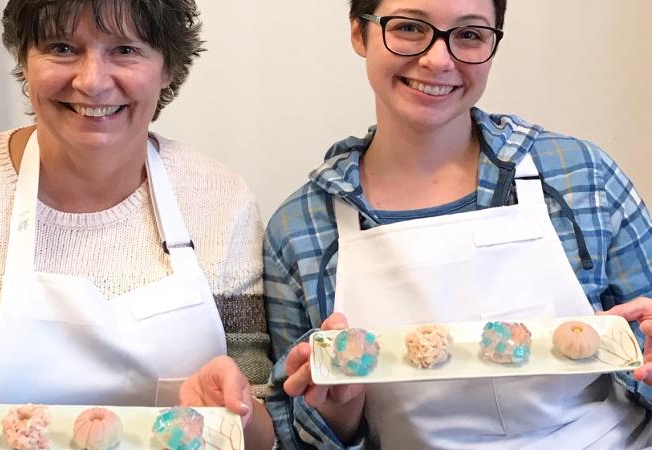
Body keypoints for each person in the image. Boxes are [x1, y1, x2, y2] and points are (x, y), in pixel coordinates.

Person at [0, 1, 274, 448]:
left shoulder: (221, 200)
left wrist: (239, 413)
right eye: (62, 47)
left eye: (125, 50)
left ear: (168, 68)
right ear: (25, 62)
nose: (91, 81)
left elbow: (263, 424)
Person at [264, 0, 652, 448]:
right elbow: (290, 434)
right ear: (358, 32)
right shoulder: (300, 230)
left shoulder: (581, 175)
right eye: (409, 27)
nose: (438, 60)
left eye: (469, 34)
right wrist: (338, 413)